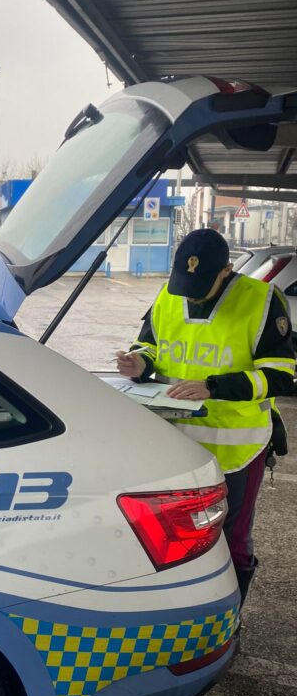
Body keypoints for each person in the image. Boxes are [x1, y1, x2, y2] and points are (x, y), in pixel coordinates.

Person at [116, 228, 295, 604]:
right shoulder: (170, 293)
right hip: (174, 446)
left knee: (232, 540)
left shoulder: (261, 300)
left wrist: (214, 386)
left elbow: (280, 375)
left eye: (200, 285)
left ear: (226, 270)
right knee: (170, 539)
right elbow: (150, 345)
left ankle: (230, 618)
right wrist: (139, 363)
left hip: (236, 449)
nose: (189, 293)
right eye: (184, 283)